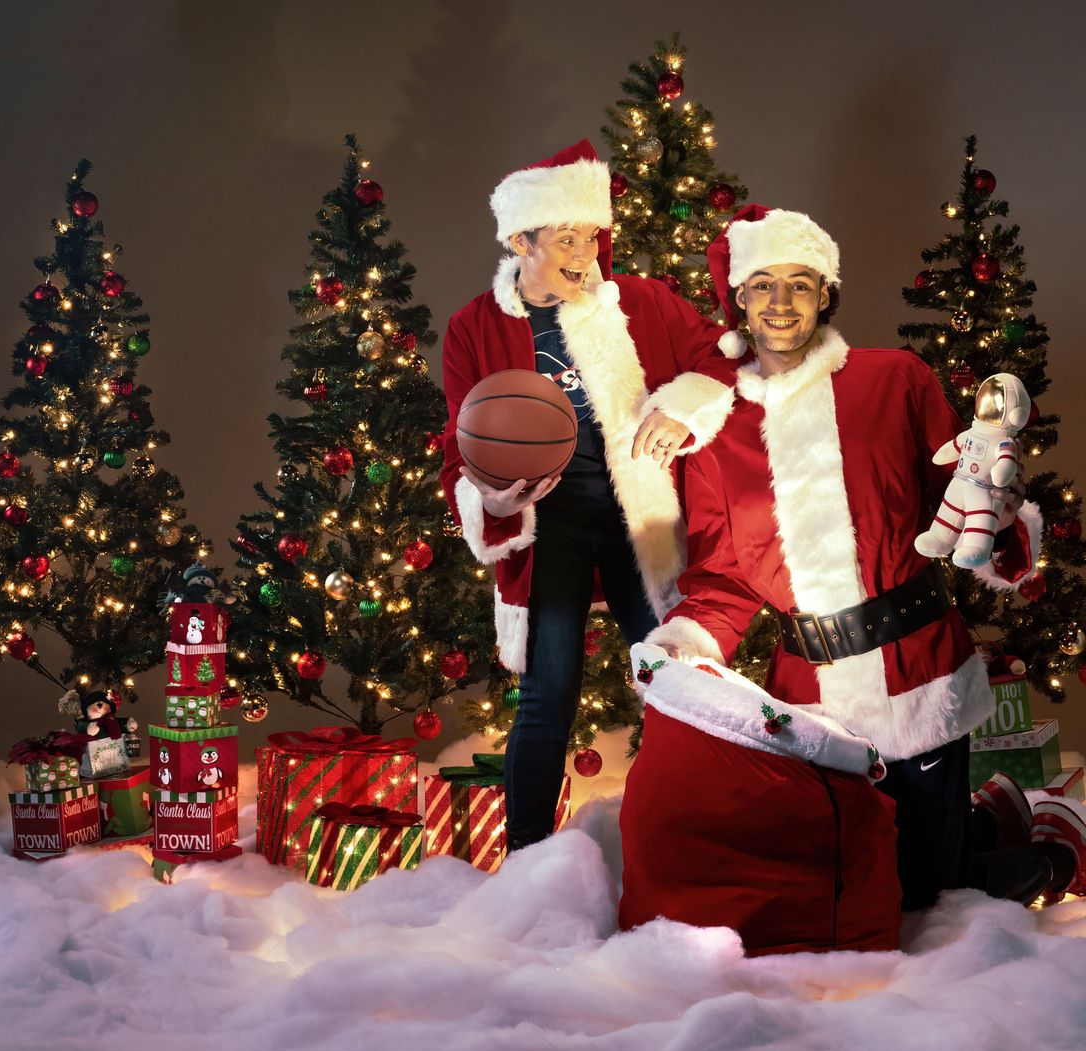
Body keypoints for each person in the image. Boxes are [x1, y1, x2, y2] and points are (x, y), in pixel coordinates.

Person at [640, 203, 1084, 910]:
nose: (781, 302)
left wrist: (999, 510)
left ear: (826, 294)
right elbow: (723, 576)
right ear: (739, 299)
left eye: (800, 283)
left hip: (919, 672)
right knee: (850, 884)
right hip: (809, 696)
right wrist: (684, 647)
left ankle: (1054, 853)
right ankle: (988, 819)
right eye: (763, 285)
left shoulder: (896, 379)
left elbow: (960, 501)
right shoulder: (717, 435)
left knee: (924, 896)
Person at [438, 140, 732, 850]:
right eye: (565, 237)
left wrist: (683, 408)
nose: (584, 252)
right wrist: (493, 500)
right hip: (550, 530)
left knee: (679, 687)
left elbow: (722, 357)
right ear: (521, 240)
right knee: (548, 696)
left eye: (592, 236)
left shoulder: (642, 303)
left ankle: (689, 845)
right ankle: (528, 857)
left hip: (642, 522)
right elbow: (458, 446)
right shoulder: (476, 327)